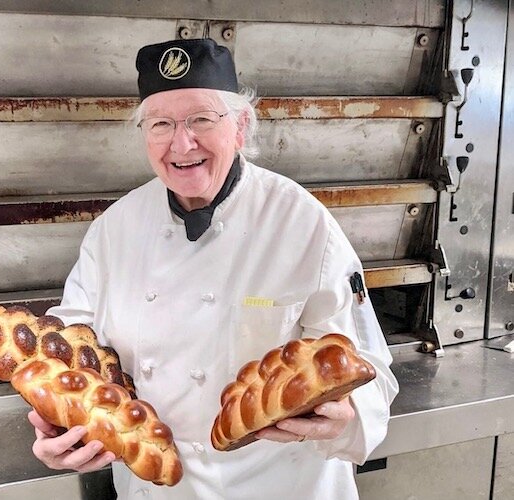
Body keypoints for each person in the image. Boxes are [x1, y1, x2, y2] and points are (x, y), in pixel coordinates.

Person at [28, 38, 399, 499]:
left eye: (201, 119)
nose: (181, 143)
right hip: (156, 489)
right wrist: (56, 427)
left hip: (280, 486)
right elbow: (69, 355)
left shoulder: (302, 223)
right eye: (160, 123)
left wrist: (345, 419)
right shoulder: (112, 231)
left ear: (241, 127)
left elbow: (371, 376)